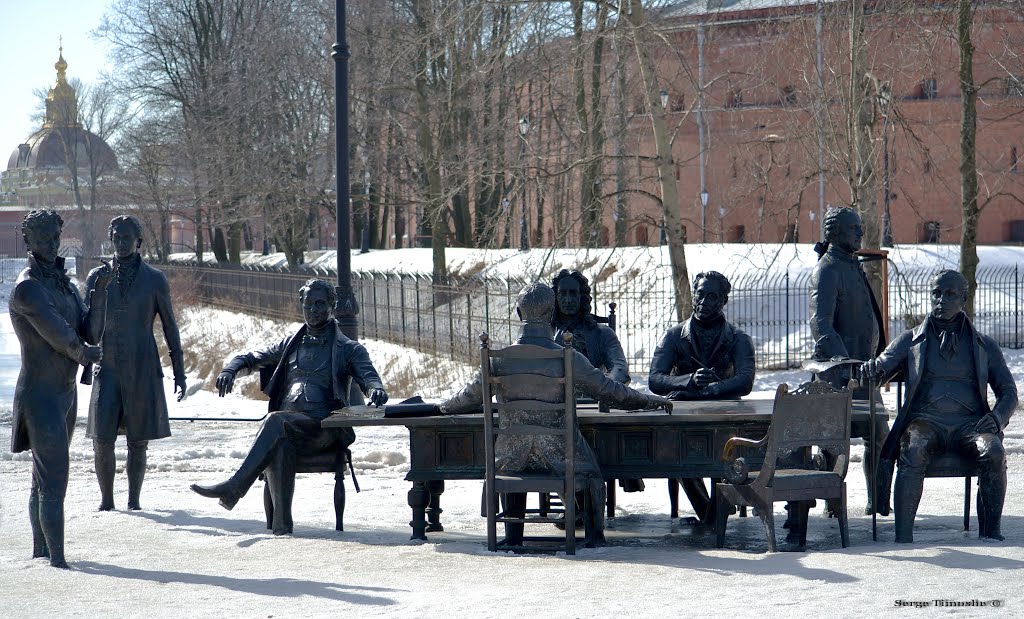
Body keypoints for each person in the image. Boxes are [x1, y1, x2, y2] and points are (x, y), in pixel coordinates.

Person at [438, 282, 672, 544]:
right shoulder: (568, 357)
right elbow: (611, 392)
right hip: (560, 458)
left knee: (518, 452)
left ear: (518, 313)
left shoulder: (496, 358)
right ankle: (595, 538)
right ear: (552, 314)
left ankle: (513, 537)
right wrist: (649, 400)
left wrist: (442, 406)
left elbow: (468, 397)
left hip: (510, 459)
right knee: (595, 474)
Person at [190, 278, 388, 535]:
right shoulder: (289, 344)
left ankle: (235, 487)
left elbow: (369, 376)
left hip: (324, 429)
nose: (314, 310)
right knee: (279, 442)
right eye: (308, 304)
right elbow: (250, 358)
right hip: (291, 429)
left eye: (320, 304)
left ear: (333, 304)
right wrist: (230, 369)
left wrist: (376, 389)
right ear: (301, 304)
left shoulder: (349, 349)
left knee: (275, 421)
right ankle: (282, 530)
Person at [861, 270, 1016, 542]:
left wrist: (997, 417)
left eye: (950, 294)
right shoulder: (910, 340)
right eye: (936, 293)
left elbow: (1008, 391)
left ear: (964, 299)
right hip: (925, 423)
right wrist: (873, 371)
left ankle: (992, 535)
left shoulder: (985, 346)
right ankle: (903, 538)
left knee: (993, 451)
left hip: (970, 425)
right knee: (913, 448)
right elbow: (882, 367)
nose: (941, 299)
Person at [9, 209, 112, 568]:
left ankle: (43, 551)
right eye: (44, 238)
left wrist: (98, 294)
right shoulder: (28, 288)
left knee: (44, 478)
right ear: (28, 241)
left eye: (55, 236)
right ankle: (57, 560)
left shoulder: (63, 284)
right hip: (40, 396)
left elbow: (88, 329)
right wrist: (85, 353)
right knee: (54, 478)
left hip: (65, 393)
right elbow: (62, 336)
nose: (52, 244)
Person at [85, 215, 187, 512]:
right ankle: (107, 501)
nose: (120, 242)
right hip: (108, 366)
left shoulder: (154, 279)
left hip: (142, 367)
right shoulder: (96, 277)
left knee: (138, 439)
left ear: (138, 241)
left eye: (126, 237)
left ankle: (134, 500)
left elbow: (170, 326)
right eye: (116, 237)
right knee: (102, 438)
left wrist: (179, 371)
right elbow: (87, 327)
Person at [648, 271, 755, 521]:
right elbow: (654, 379)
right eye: (700, 294)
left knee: (724, 456)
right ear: (693, 295)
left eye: (713, 297)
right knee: (683, 457)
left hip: (726, 418)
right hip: (683, 420)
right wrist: (688, 380)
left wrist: (716, 388)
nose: (705, 301)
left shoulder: (739, 339)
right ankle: (712, 513)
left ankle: (714, 513)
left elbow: (745, 380)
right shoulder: (673, 336)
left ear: (723, 301)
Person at [808, 206, 890, 514]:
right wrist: (843, 363)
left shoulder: (851, 265)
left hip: (865, 374)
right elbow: (820, 324)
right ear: (836, 233)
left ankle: (877, 502)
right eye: (854, 228)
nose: (860, 232)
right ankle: (832, 505)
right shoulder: (827, 269)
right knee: (833, 443)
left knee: (879, 435)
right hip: (838, 377)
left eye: (859, 227)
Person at [551, 269, 630, 384]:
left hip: (593, 397)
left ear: (582, 297)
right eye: (563, 294)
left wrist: (603, 388)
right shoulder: (545, 333)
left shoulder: (603, 333)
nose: (568, 300)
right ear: (555, 297)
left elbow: (620, 369)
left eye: (573, 293)